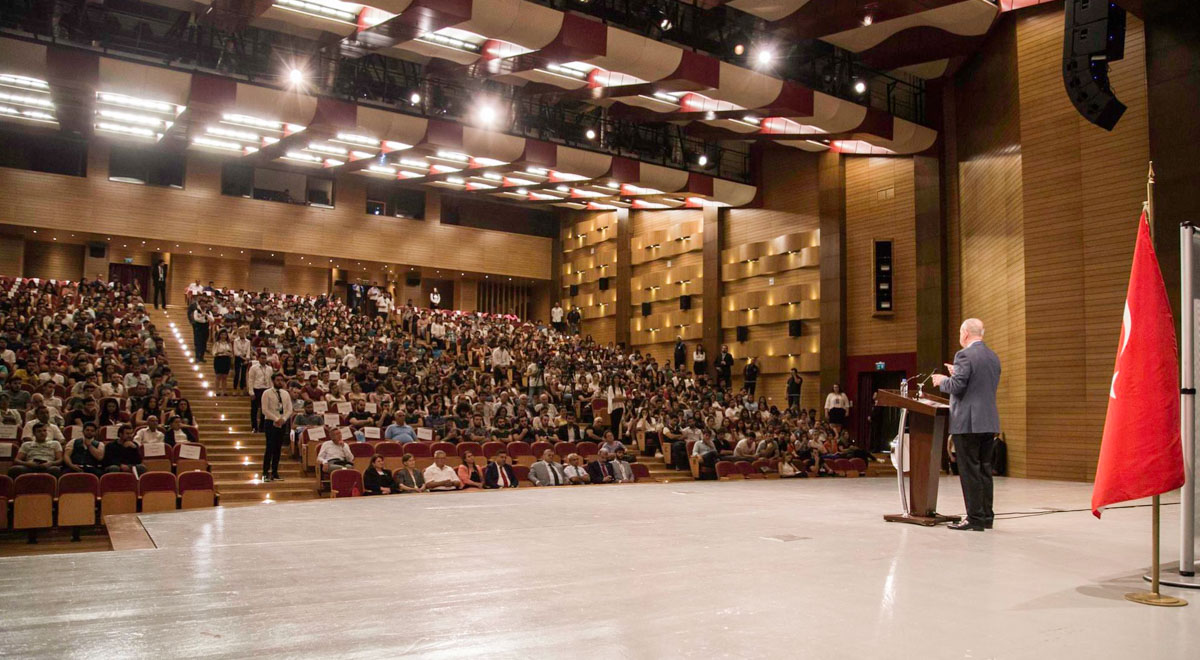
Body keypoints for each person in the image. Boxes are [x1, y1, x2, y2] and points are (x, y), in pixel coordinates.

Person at [931, 318, 1001, 532]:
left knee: (969, 471)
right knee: (984, 470)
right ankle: (986, 516)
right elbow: (978, 384)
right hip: (988, 421)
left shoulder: (964, 355)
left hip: (968, 422)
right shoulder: (993, 356)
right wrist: (957, 372)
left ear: (965, 333)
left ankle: (974, 518)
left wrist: (942, 380)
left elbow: (957, 387)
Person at [260, 373, 293, 482]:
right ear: (273, 381)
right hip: (270, 422)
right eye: (277, 380)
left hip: (282, 423)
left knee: (278, 448)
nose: (280, 382)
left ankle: (275, 472)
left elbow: (289, 409)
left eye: (281, 380)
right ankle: (265, 473)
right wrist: (276, 419)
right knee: (269, 447)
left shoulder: (285, 393)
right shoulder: (267, 393)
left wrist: (284, 419)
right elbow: (264, 410)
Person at [246, 353, 273, 433]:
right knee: (254, 409)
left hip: (266, 389)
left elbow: (271, 380)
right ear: (258, 358)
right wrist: (251, 392)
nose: (263, 360)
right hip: (257, 389)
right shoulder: (254, 368)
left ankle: (262, 427)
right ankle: (254, 427)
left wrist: (272, 391)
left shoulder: (269, 368)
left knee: (264, 409)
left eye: (265, 358)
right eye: (262, 358)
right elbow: (251, 380)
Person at [211, 330, 233, 396]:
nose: (223, 336)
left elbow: (231, 353)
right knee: (218, 376)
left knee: (225, 376)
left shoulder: (228, 344)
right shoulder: (217, 343)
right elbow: (214, 352)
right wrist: (220, 352)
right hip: (219, 359)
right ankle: (217, 391)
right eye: (222, 334)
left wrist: (228, 353)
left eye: (225, 335)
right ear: (219, 335)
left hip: (226, 359)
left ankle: (224, 391)